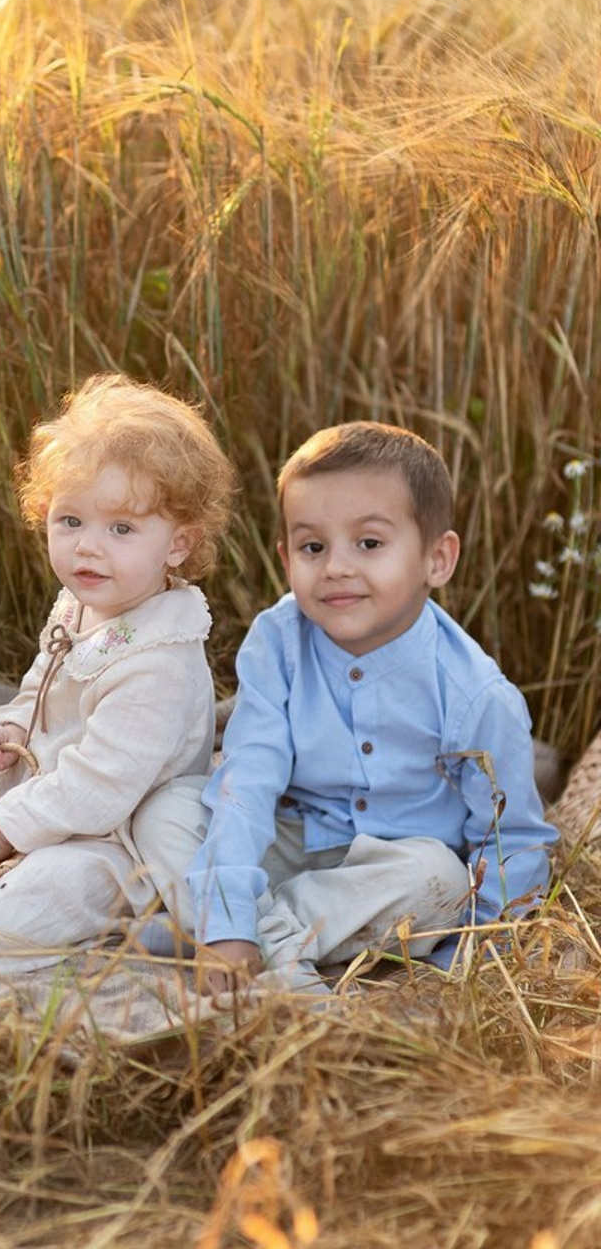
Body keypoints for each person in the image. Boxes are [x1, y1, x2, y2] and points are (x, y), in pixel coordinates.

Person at [0, 372, 236, 970]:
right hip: (48, 803)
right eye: (71, 521)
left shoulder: (158, 661)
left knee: (60, 884)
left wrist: (1, 831)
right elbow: (41, 686)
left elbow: (102, 785)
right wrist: (10, 730)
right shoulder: (85, 605)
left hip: (119, 840)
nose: (88, 547)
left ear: (179, 544)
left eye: (122, 529)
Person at [186, 421, 558, 997]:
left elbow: (510, 841)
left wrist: (475, 959)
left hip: (390, 872)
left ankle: (255, 937)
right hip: (287, 838)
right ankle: (244, 922)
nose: (335, 566)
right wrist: (230, 892)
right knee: (174, 805)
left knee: (441, 879)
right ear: (286, 555)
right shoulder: (278, 641)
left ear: (437, 559)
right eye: (313, 547)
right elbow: (249, 775)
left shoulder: (475, 693)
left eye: (369, 543)